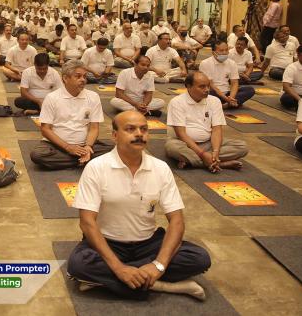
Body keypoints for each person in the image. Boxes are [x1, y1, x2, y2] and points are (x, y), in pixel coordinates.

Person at [66, 111, 212, 301]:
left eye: (144, 129)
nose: (139, 134)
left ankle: (109, 280)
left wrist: (158, 265)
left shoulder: (160, 168)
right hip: (108, 242)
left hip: (148, 243)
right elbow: (87, 223)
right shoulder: (96, 167)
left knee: (199, 258)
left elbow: (177, 221)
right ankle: (162, 285)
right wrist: (119, 268)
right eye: (130, 129)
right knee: (78, 264)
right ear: (115, 135)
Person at [164, 72, 248, 172]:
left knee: (242, 147)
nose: (207, 89)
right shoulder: (177, 102)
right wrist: (202, 154)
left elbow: (217, 130)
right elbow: (181, 134)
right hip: (183, 143)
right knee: (172, 148)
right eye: (202, 87)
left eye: (208, 86)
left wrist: (216, 151)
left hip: (208, 143)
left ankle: (196, 161)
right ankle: (220, 163)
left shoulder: (215, 101)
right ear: (189, 86)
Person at [30, 60, 106, 170]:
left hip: (84, 144)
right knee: (37, 155)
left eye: (85, 76)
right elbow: (45, 129)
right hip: (56, 145)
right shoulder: (52, 98)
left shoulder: (93, 96)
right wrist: (68, 147)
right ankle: (82, 160)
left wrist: (88, 146)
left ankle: (80, 157)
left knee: (116, 149)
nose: (83, 80)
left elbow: (94, 128)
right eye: (78, 76)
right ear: (65, 78)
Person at [199, 41, 255, 109]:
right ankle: (229, 104)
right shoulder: (205, 63)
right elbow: (210, 85)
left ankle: (225, 105)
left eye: (226, 50)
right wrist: (226, 99)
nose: (225, 52)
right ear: (214, 53)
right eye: (221, 51)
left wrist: (231, 98)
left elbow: (234, 83)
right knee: (206, 92)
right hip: (213, 92)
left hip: (227, 93)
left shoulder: (232, 63)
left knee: (250, 90)